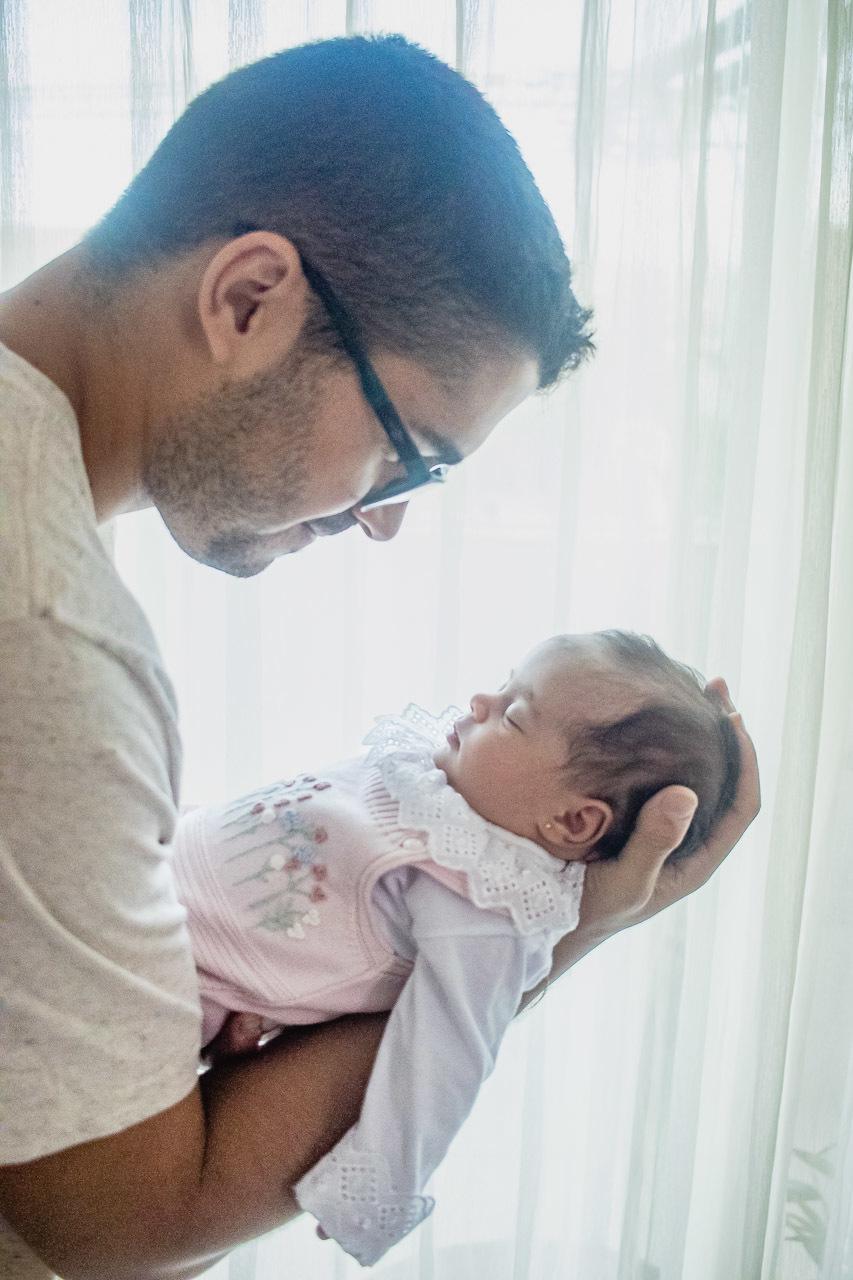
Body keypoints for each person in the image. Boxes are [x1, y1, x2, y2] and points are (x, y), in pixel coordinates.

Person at [0, 33, 759, 1280]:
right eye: (408, 451)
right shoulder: (50, 635)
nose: (390, 515)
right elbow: (123, 1227)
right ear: (249, 300)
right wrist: (557, 936)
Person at [172, 631, 741, 1266]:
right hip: (159, 869)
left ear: (574, 821)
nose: (479, 701)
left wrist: (378, 1183)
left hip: (182, 980)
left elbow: (444, 1053)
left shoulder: (488, 905)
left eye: (514, 715)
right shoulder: (440, 787)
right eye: (503, 684)